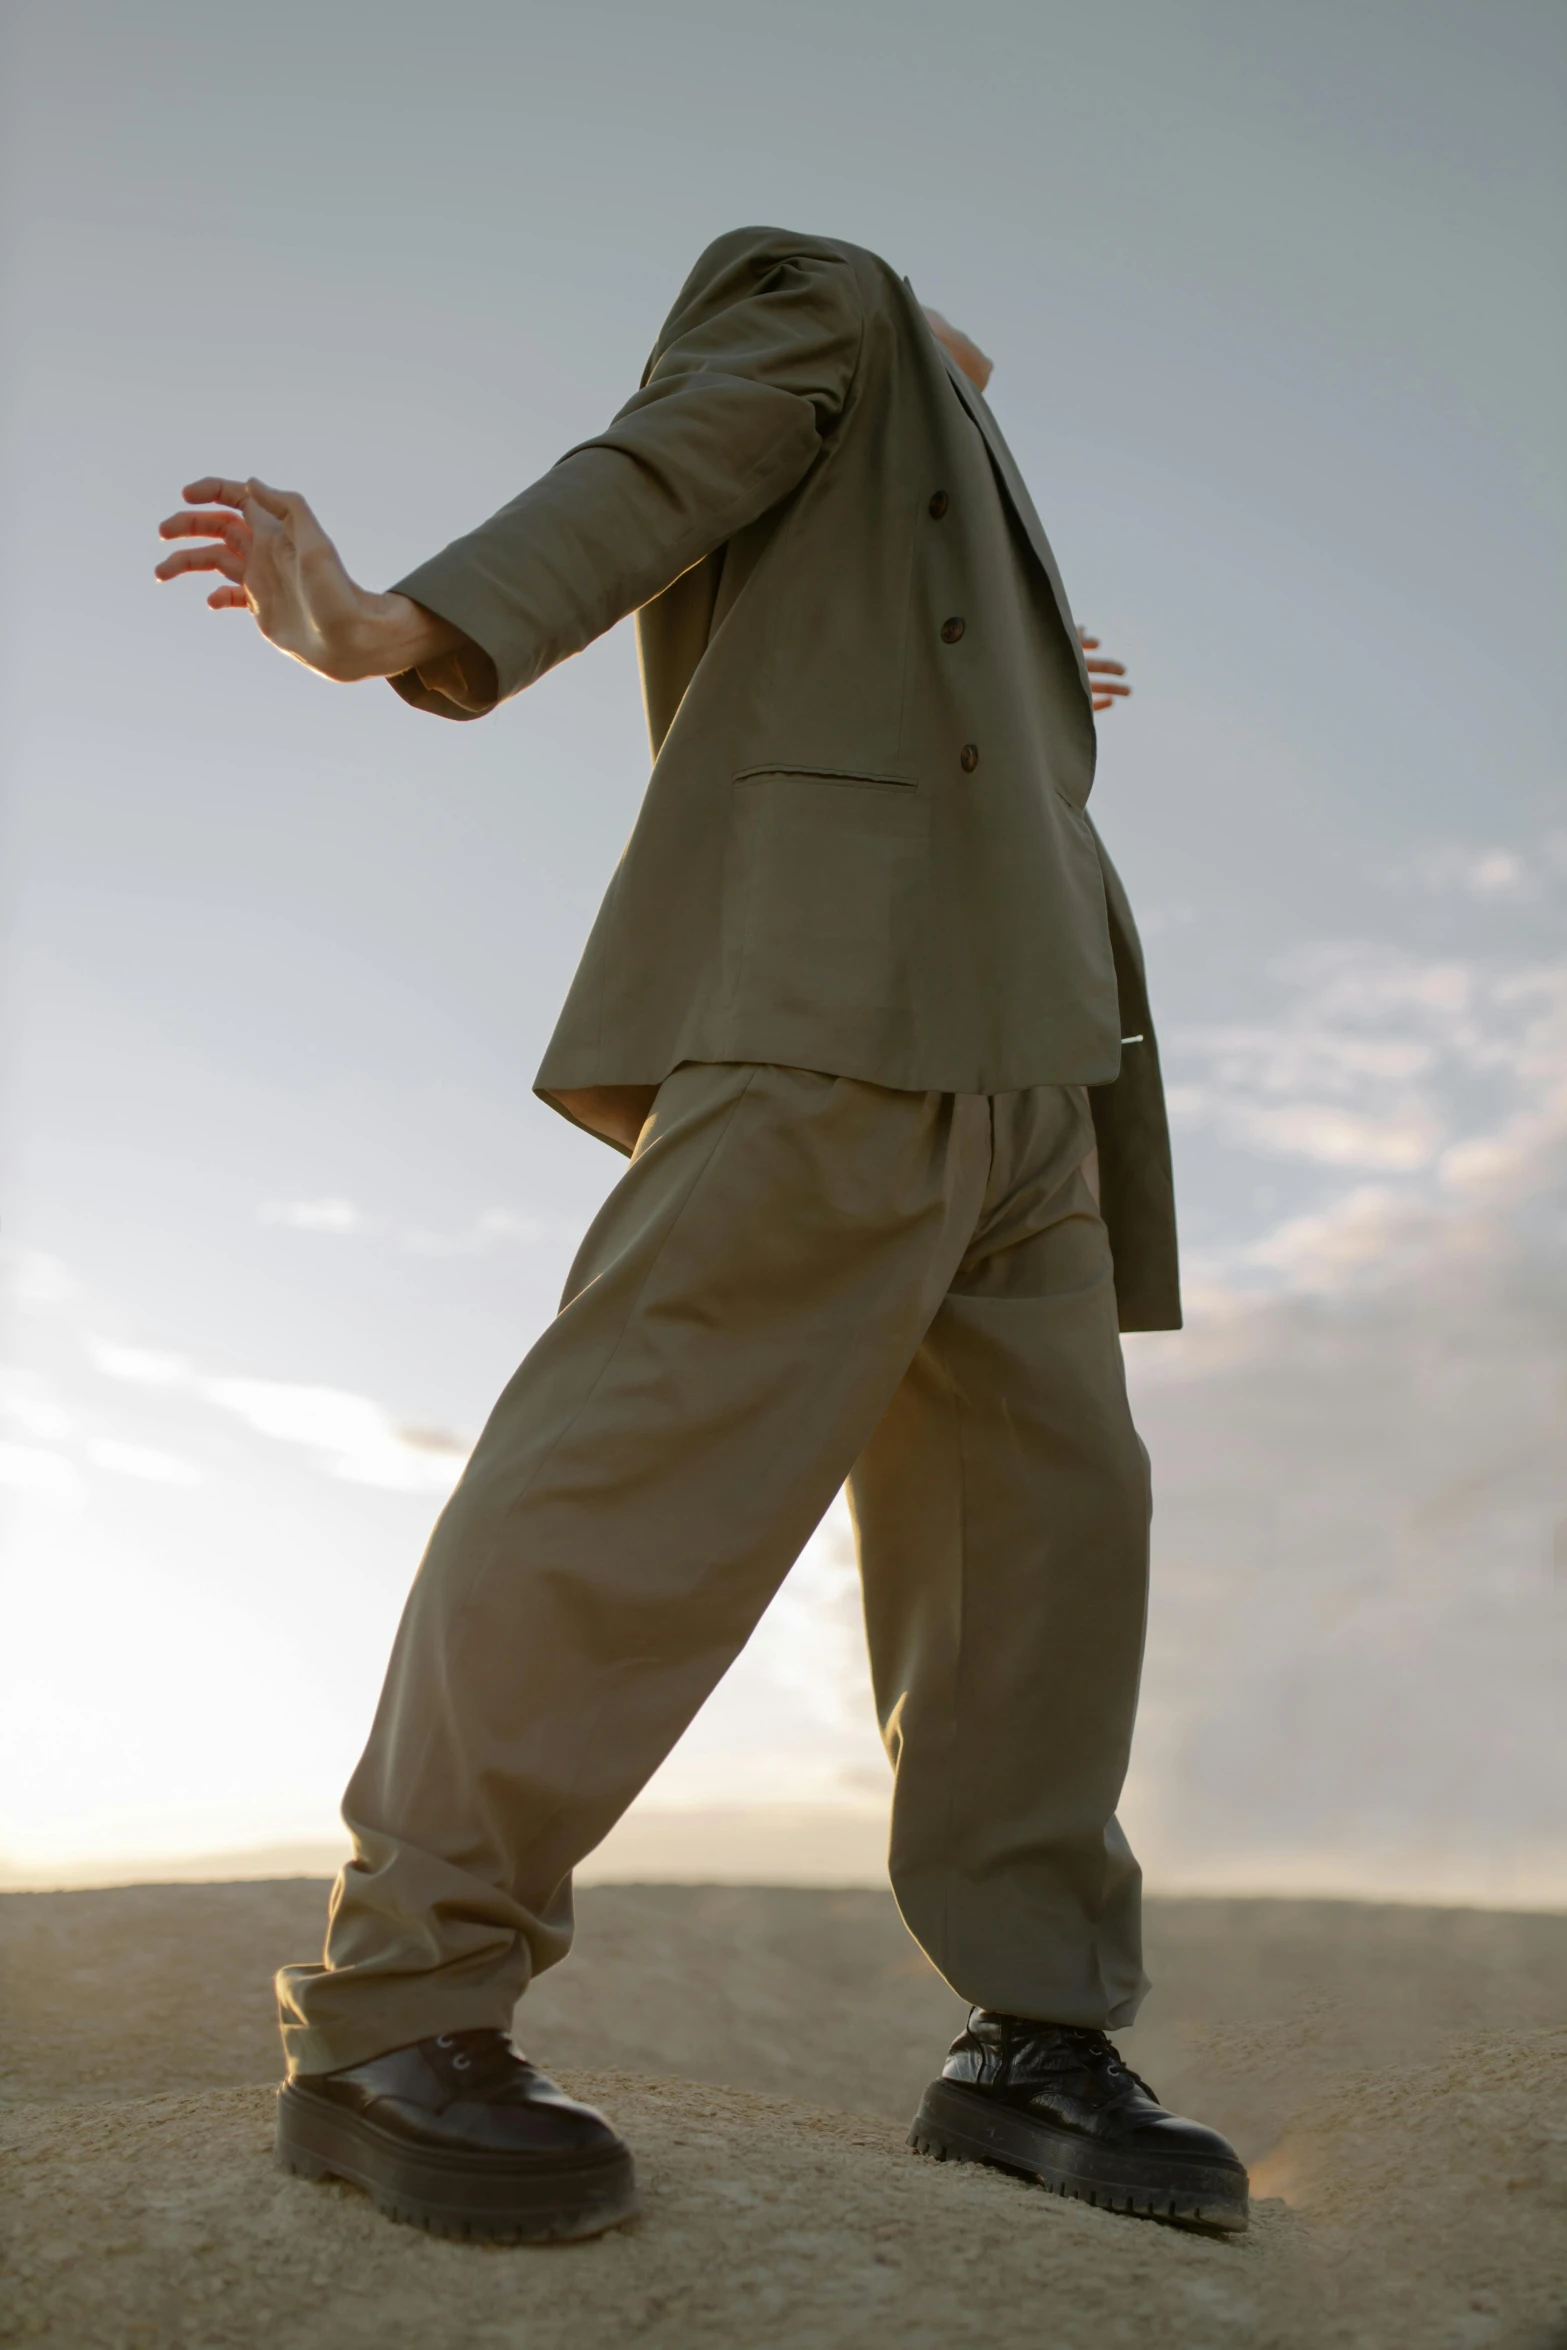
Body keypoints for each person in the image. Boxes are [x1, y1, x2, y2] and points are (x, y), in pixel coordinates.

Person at [155, 225, 1249, 2244]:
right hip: (837, 996)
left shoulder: (953, 499)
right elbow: (664, 462)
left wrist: (1029, 701)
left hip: (1039, 1052)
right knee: (646, 1462)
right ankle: (400, 2005)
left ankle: (1032, 2032)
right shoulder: (823, 295)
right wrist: (410, 626)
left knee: (1046, 1533)